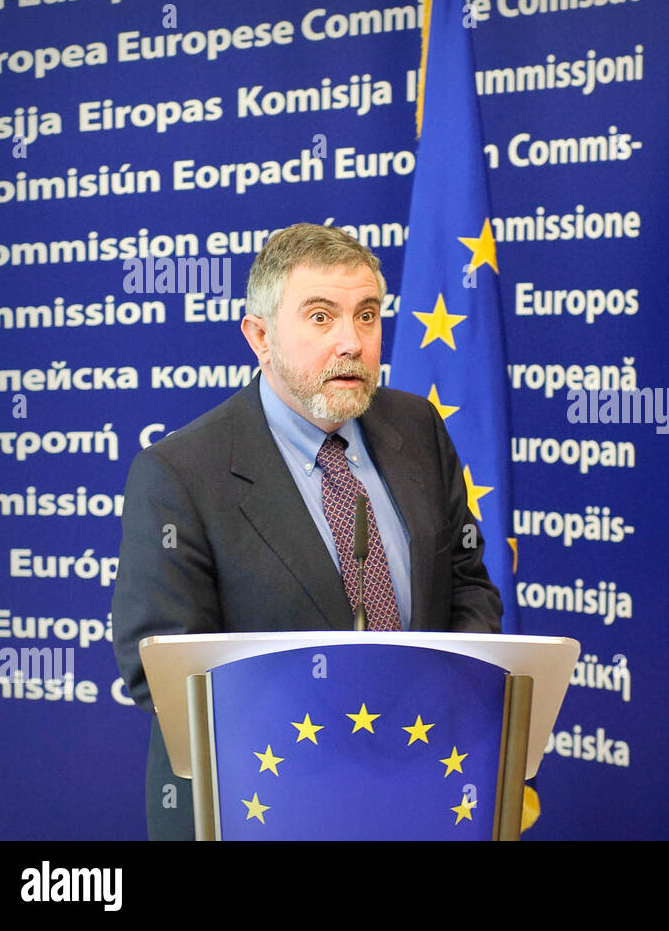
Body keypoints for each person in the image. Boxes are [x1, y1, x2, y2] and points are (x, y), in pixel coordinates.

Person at [112, 223, 503, 840]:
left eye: (367, 316)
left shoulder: (418, 428)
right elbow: (157, 668)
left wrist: (432, 706)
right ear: (260, 337)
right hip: (263, 802)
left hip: (422, 779)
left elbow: (468, 587)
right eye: (321, 317)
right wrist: (345, 732)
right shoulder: (180, 473)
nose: (352, 341)